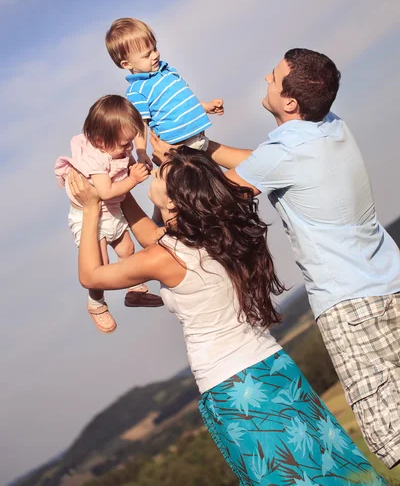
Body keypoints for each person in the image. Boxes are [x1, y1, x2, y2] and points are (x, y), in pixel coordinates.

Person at [68, 147, 388, 485]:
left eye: (161, 172)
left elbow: (92, 275)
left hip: (236, 387)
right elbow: (150, 235)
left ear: (174, 202)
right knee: (332, 467)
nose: (155, 170)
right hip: (273, 367)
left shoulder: (165, 256)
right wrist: (120, 193)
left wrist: (91, 208)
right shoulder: (216, 237)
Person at [151, 47, 400, 469]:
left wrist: (171, 167)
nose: (265, 79)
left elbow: (217, 197)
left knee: (391, 430)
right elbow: (259, 164)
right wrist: (202, 145)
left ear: (289, 101)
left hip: (350, 304)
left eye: (272, 77)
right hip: (391, 283)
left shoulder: (285, 151)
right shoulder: (330, 128)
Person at [54, 95, 163, 335]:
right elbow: (105, 191)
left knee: (126, 249)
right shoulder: (97, 158)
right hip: (90, 215)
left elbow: (136, 139)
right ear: (101, 141)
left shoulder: (118, 149)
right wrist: (133, 179)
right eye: (125, 145)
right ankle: (96, 304)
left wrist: (141, 158)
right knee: (100, 265)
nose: (129, 149)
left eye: (130, 143)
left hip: (112, 209)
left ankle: (134, 290)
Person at [105, 17, 224, 171]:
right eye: (147, 55)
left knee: (213, 174)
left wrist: (205, 106)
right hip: (178, 145)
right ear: (127, 64)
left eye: (154, 48)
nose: (155, 55)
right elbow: (140, 123)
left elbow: (183, 97)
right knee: (202, 180)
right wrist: (141, 152)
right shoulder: (137, 90)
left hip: (197, 136)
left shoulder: (166, 70)